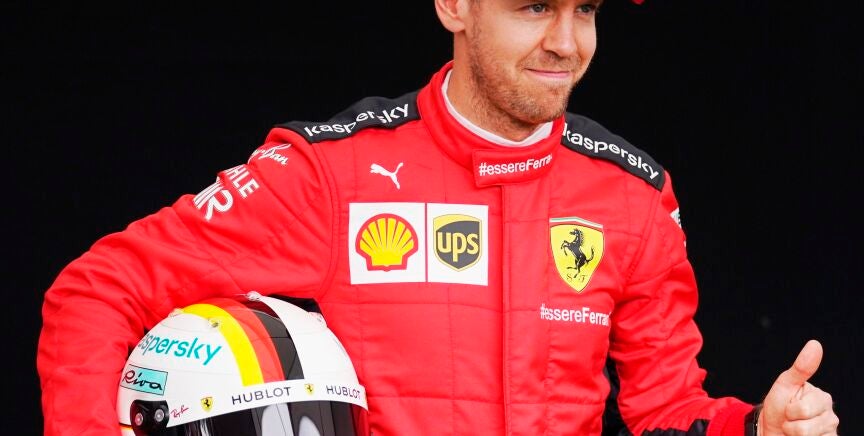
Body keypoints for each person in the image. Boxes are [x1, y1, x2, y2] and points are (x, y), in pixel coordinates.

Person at [38, 0, 839, 435]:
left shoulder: (634, 196)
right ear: (455, 5)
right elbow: (99, 289)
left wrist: (757, 431)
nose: (567, 42)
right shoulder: (331, 173)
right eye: (534, 7)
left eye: (586, 10)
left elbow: (666, 412)